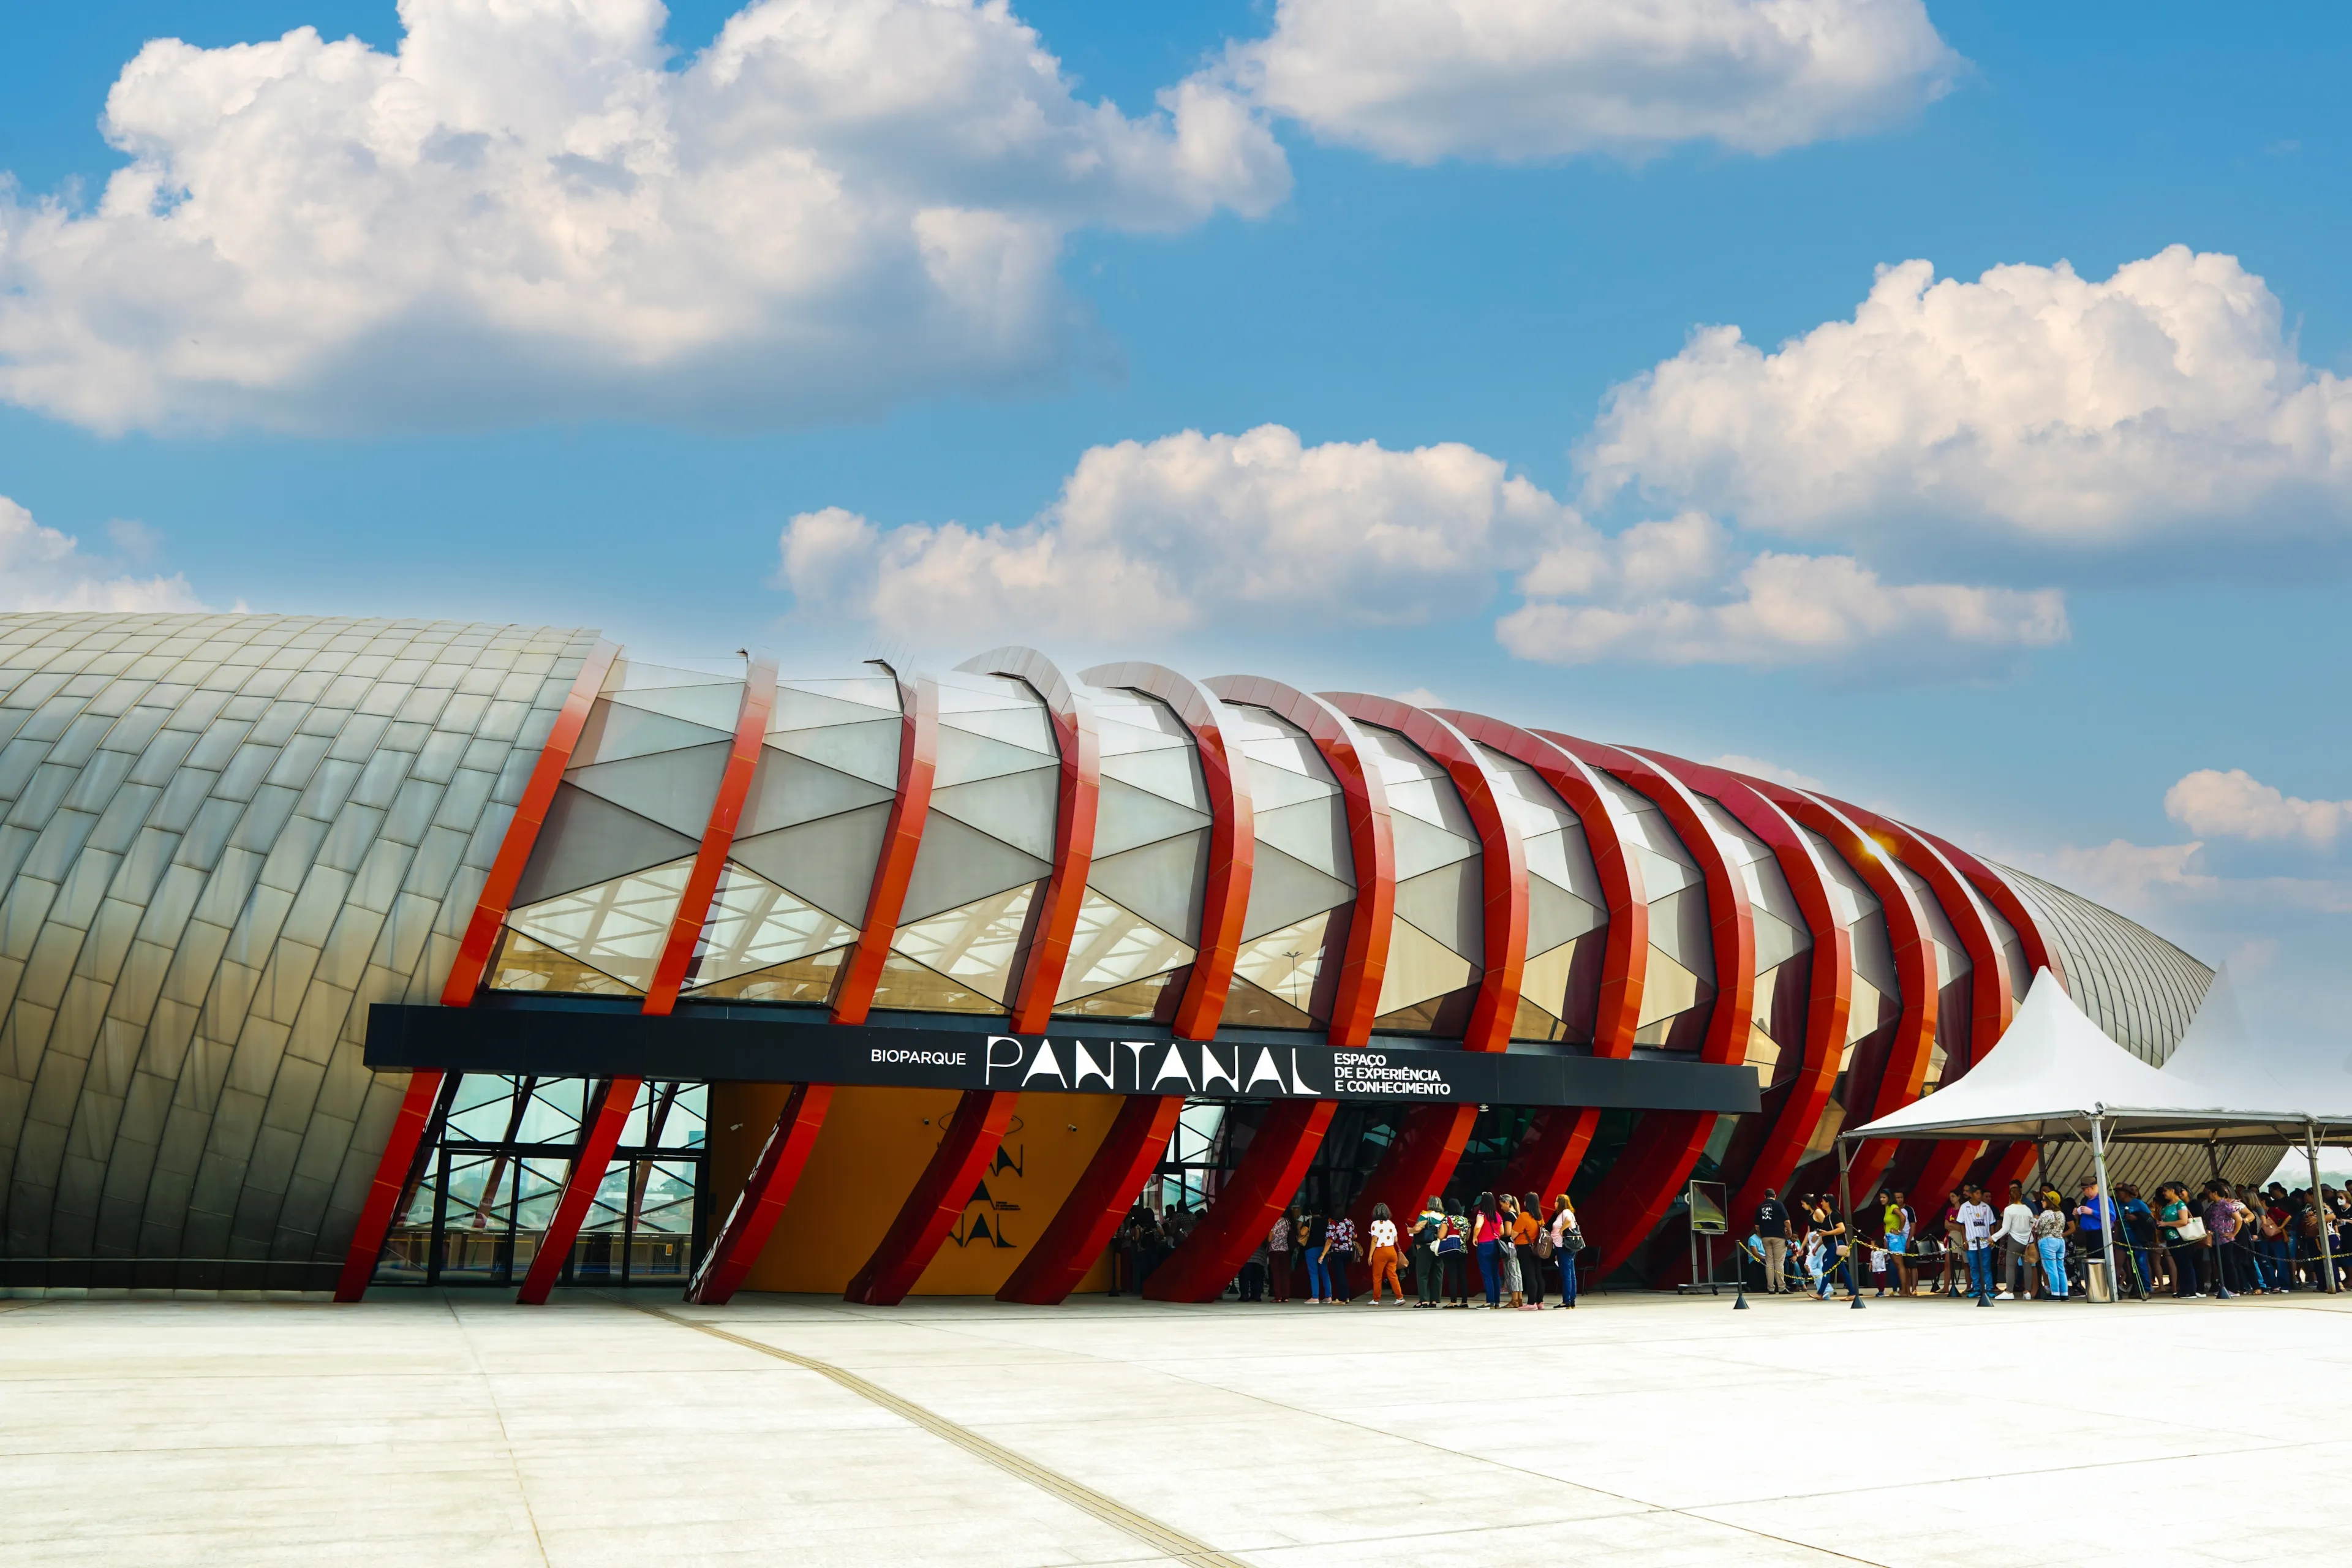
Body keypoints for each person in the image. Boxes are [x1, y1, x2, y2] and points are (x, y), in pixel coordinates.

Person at [2157, 1184, 2207, 1298]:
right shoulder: (2167, 1205)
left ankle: (2190, 1290)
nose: (2164, 1193)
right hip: (2170, 1238)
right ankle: (2183, 1289)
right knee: (2180, 1264)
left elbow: (2184, 1221)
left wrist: (2165, 1224)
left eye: (2165, 1191)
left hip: (2180, 1238)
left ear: (2172, 1191)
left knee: (2186, 1263)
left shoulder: (2180, 1204)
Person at [1995, 1181, 2038, 1300]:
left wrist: (1993, 1238)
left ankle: (2009, 1292)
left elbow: (2005, 1228)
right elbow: (2033, 1224)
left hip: (2014, 1241)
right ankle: (2027, 1292)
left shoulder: (2009, 1210)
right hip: (2027, 1241)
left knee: (2010, 1266)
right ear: (2021, 1196)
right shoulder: (2027, 1209)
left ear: (2010, 1196)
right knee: (2027, 1266)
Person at [1956, 1185, 1997, 1303]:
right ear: (1971, 1194)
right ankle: (1977, 1288)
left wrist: (1992, 1238)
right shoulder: (1965, 1207)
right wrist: (1965, 1240)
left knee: (1986, 1266)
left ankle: (1989, 1288)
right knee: (1974, 1266)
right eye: (1977, 1193)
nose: (1979, 1196)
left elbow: (1992, 1223)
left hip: (1985, 1242)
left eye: (1980, 1193)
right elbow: (1962, 1225)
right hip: (1971, 1242)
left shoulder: (1986, 1207)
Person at [1754, 1187, 1792, 1294]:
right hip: (1778, 1236)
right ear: (1775, 1196)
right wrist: (1789, 1232)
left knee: (1769, 1262)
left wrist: (1762, 1235)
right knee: (1779, 1263)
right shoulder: (1779, 1205)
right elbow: (1787, 1221)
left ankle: (1770, 1288)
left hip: (1766, 1237)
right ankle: (1781, 1287)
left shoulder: (1760, 1207)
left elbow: (1757, 1226)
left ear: (1764, 1196)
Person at [1411, 1195, 1446, 1308]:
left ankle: (1424, 1300)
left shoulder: (1425, 1214)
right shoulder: (1443, 1216)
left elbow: (1417, 1229)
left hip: (1426, 1246)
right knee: (1437, 1273)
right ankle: (1435, 1300)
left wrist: (1409, 1230)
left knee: (1422, 1274)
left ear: (1429, 1204)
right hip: (1439, 1247)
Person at [1472, 1192, 1506, 1308]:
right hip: (1496, 1245)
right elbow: (1502, 1232)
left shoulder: (1482, 1214)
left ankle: (1489, 1301)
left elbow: (1478, 1226)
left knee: (1487, 1274)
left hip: (1485, 1245)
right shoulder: (1498, 1215)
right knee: (1495, 1274)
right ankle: (1497, 1301)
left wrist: (1475, 1237)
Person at [1365, 1202, 1403, 1305]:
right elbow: (1396, 1239)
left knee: (1377, 1276)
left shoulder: (1375, 1224)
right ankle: (1400, 1298)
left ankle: (1376, 1299)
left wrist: (1370, 1256)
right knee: (1393, 1275)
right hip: (1392, 1250)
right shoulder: (1391, 1224)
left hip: (1381, 1251)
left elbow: (1374, 1240)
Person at [2032, 1194, 2069, 1299]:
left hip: (2048, 1241)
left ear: (2049, 1202)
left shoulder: (2046, 1214)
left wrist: (2035, 1225)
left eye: (2044, 1200)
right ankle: (2064, 1293)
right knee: (2060, 1268)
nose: (2042, 1202)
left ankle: (2055, 1293)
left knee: (2051, 1269)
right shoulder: (2061, 1214)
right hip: (2060, 1241)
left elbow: (2038, 1229)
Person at [1548, 1193, 1581, 1308]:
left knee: (1566, 1274)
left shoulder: (1565, 1213)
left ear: (1561, 1203)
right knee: (1571, 1273)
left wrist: (1562, 1230)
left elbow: (1567, 1221)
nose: (1555, 1203)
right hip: (1564, 1247)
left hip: (1564, 1247)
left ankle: (1567, 1300)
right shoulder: (1566, 1213)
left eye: (1556, 1201)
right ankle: (1571, 1299)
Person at [1496, 1194, 1526, 1308]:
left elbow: (1507, 1232)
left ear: (1507, 1203)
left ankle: (1514, 1300)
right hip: (1517, 1246)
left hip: (1509, 1246)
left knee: (1511, 1272)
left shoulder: (1508, 1215)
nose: (1501, 1207)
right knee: (1518, 1273)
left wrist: (1498, 1233)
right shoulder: (1517, 1214)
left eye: (1502, 1204)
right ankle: (1519, 1298)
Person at [1438, 1197, 1471, 1307]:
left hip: (1451, 1249)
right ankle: (1464, 1301)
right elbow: (1467, 1238)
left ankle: (1453, 1302)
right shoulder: (1465, 1220)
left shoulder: (1447, 1220)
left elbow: (1441, 1236)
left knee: (1452, 1276)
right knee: (1462, 1275)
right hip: (1463, 1249)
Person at [1518, 1191, 1547, 1308]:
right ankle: (1540, 1302)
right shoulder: (1540, 1217)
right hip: (1538, 1247)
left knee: (1530, 1275)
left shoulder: (1524, 1216)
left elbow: (1514, 1233)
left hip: (1525, 1247)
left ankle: (1531, 1303)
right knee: (1538, 1274)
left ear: (1527, 1203)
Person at [1882, 1190, 1913, 1297]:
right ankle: (1905, 1290)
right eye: (1881, 1197)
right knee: (1898, 1265)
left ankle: (1904, 1290)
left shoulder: (1893, 1207)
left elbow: (1903, 1218)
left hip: (1895, 1239)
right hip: (1891, 1239)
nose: (1881, 1199)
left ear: (1889, 1198)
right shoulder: (1887, 1208)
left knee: (1900, 1265)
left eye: (1884, 1197)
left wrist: (1899, 1231)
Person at [1324, 1210, 1358, 1302]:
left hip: (1337, 1252)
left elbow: (1330, 1240)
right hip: (1348, 1251)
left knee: (1339, 1275)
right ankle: (1346, 1296)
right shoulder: (1349, 1222)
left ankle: (1342, 1298)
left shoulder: (1333, 1224)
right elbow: (1355, 1236)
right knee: (1344, 1274)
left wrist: (1323, 1254)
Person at [1300, 1207, 1330, 1303]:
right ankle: (1329, 1297)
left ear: (1310, 1212)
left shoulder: (1310, 1221)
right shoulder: (1326, 1222)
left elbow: (1303, 1232)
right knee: (1325, 1272)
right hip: (1323, 1249)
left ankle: (1315, 1297)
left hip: (1311, 1249)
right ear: (1320, 1212)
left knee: (1313, 1273)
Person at [1267, 1208, 1293, 1303]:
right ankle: (1286, 1297)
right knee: (1285, 1273)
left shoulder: (1273, 1222)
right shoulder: (1287, 1221)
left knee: (1276, 1274)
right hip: (1285, 1249)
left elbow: (1270, 1238)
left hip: (1274, 1250)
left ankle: (1278, 1296)